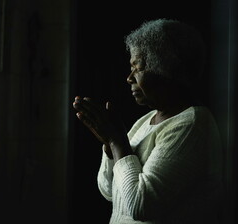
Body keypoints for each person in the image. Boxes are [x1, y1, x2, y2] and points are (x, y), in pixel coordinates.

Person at [72, 18, 223, 224]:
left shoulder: (192, 125)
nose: (129, 78)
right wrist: (110, 147)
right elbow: (108, 191)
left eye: (138, 68)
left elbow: (140, 205)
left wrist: (118, 142)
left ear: (167, 69)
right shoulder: (146, 121)